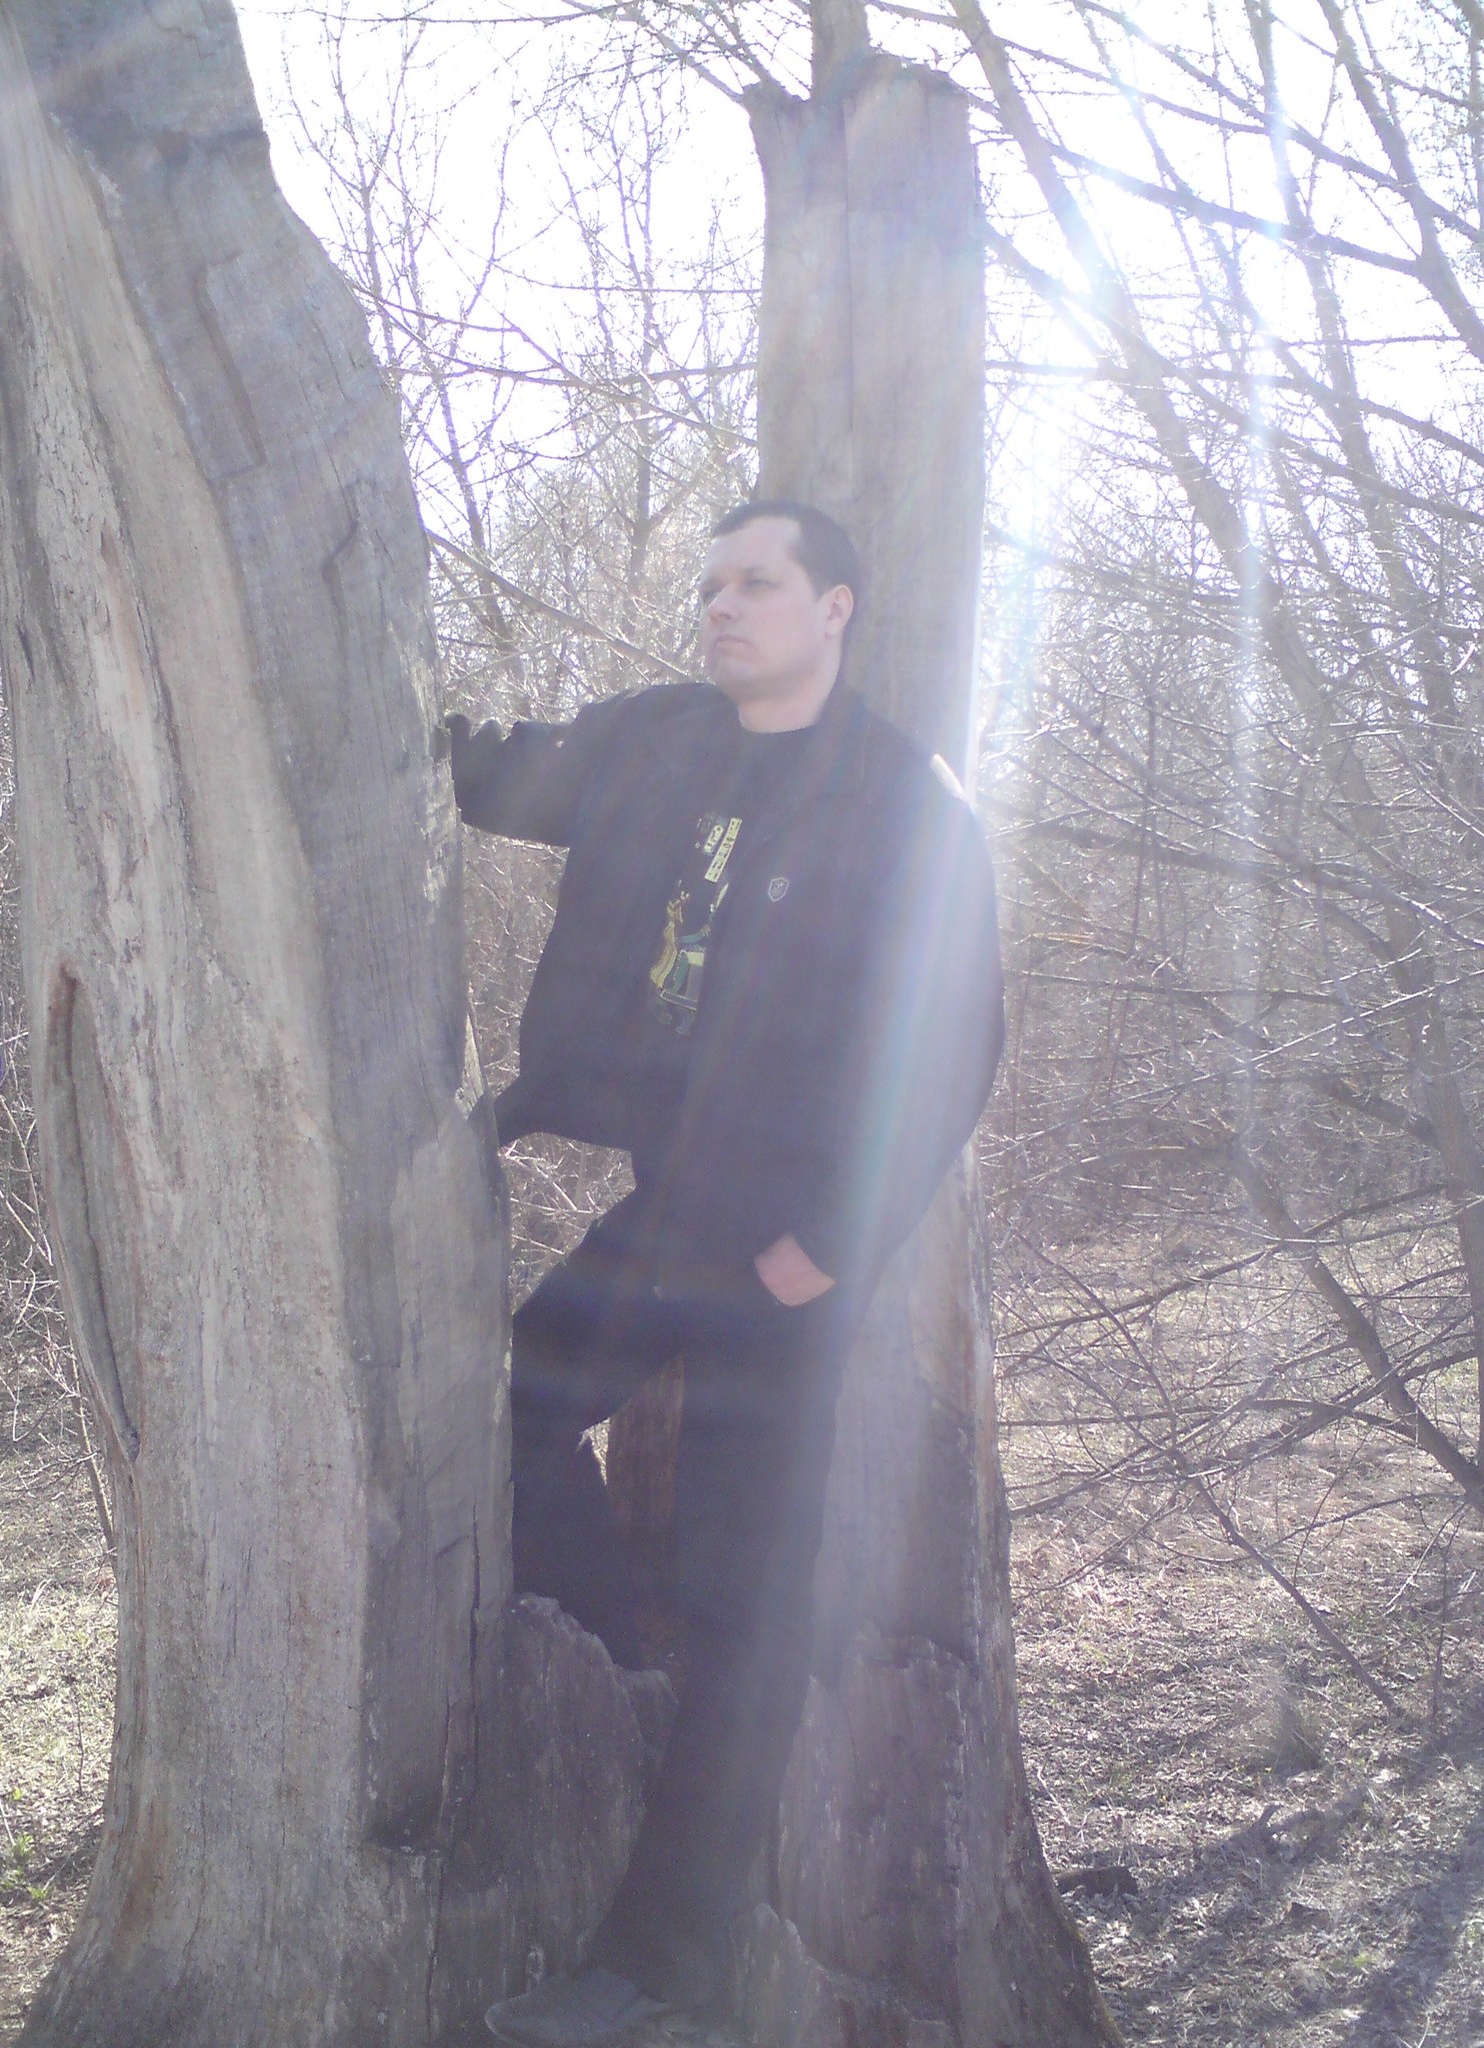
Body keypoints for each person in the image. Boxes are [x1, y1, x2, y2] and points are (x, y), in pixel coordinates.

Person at [446, 501, 1005, 2048]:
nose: (722, 604)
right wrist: (386, 716)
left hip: (788, 1250)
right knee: (505, 1414)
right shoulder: (658, 743)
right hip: (671, 1205)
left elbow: (954, 1037)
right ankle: (616, 1665)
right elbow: (496, 768)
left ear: (836, 606)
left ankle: (663, 1962)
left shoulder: (902, 803)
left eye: (758, 582)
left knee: (746, 1595)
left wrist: (832, 1240)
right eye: (710, 584)